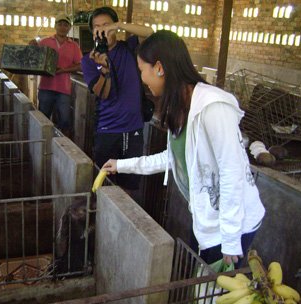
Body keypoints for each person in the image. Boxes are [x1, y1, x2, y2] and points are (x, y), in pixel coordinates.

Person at [101, 30, 265, 267]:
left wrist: (230, 240)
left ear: (159, 67)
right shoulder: (181, 106)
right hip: (205, 218)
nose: (142, 79)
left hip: (233, 225)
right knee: (202, 285)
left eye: (141, 70)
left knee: (214, 293)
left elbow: (232, 171)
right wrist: (122, 165)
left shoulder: (213, 107)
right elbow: (173, 158)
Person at [81, 7, 153, 193]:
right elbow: (102, 94)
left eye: (107, 25)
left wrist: (119, 25)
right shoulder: (89, 60)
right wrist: (104, 69)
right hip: (107, 130)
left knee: (130, 183)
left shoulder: (129, 47)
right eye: (97, 27)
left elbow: (150, 33)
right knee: (104, 184)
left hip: (133, 128)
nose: (103, 31)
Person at [30, 14, 82, 137]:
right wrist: (32, 47)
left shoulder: (74, 46)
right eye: (60, 24)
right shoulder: (45, 42)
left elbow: (80, 65)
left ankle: (61, 146)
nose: (62, 27)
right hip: (46, 87)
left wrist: (63, 70)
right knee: (43, 118)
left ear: (69, 27)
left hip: (63, 90)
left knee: (64, 121)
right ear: (55, 26)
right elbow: (35, 59)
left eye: (65, 25)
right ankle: (42, 142)